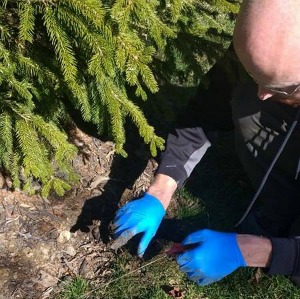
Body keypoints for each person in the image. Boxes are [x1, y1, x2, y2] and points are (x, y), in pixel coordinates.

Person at [112, 0, 300, 286]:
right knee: (249, 95)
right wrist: (161, 191)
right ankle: (278, 204)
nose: (262, 93)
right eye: (254, 74)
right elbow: (204, 115)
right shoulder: (266, 47)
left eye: (280, 87)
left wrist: (257, 252)